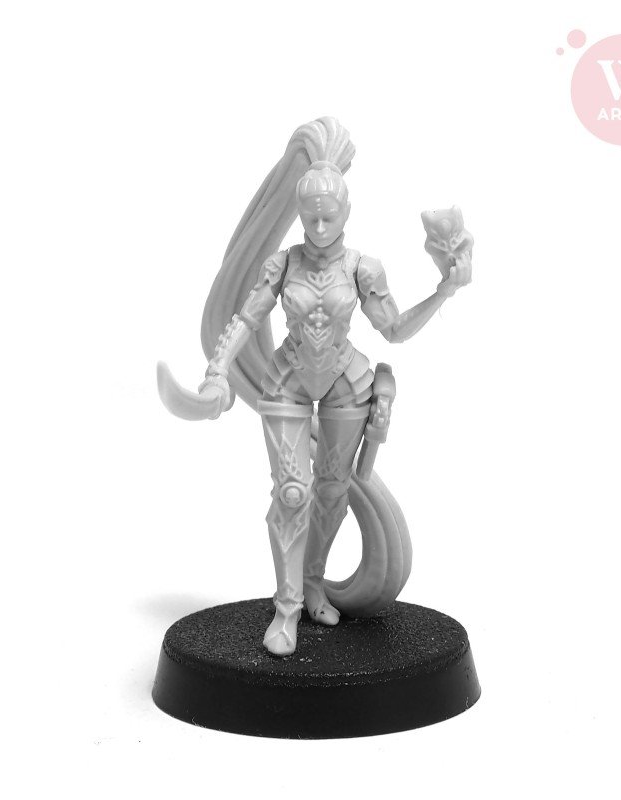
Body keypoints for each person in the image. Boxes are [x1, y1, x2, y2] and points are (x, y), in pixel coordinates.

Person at [158, 118, 472, 656]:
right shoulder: (282, 264)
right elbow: (246, 318)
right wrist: (217, 372)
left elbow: (395, 330)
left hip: (347, 381)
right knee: (292, 493)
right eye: (310, 217)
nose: (320, 227)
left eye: (329, 216)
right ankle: (286, 608)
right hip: (288, 380)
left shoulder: (362, 268)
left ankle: (313, 584)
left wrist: (444, 290)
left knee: (331, 493)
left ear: (346, 212)